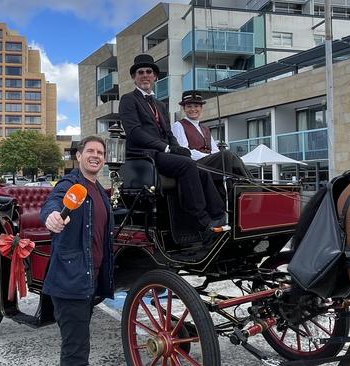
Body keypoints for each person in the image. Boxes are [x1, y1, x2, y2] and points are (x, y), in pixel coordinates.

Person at [118, 54, 226, 239]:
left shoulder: (160, 104)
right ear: (134, 77)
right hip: (145, 155)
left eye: (149, 72)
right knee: (188, 165)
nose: (145, 75)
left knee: (200, 166)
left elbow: (168, 133)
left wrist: (178, 148)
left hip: (162, 153)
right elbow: (135, 132)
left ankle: (219, 215)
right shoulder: (128, 100)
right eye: (140, 72)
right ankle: (201, 221)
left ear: (155, 77)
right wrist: (167, 148)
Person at [40, 136, 114, 366]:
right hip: (70, 280)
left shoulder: (100, 190)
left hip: (89, 278)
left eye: (100, 153)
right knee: (76, 350)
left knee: (80, 343)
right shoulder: (70, 185)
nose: (96, 155)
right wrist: (52, 217)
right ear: (79, 156)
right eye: (90, 151)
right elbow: (53, 204)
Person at [171, 90, 252, 179]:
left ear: (201, 108)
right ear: (184, 109)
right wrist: (209, 156)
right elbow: (184, 151)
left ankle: (248, 182)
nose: (193, 109)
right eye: (189, 106)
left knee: (231, 155)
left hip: (209, 163)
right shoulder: (178, 125)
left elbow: (215, 150)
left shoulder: (205, 128)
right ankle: (251, 182)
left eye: (196, 106)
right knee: (227, 155)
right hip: (195, 164)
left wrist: (214, 156)